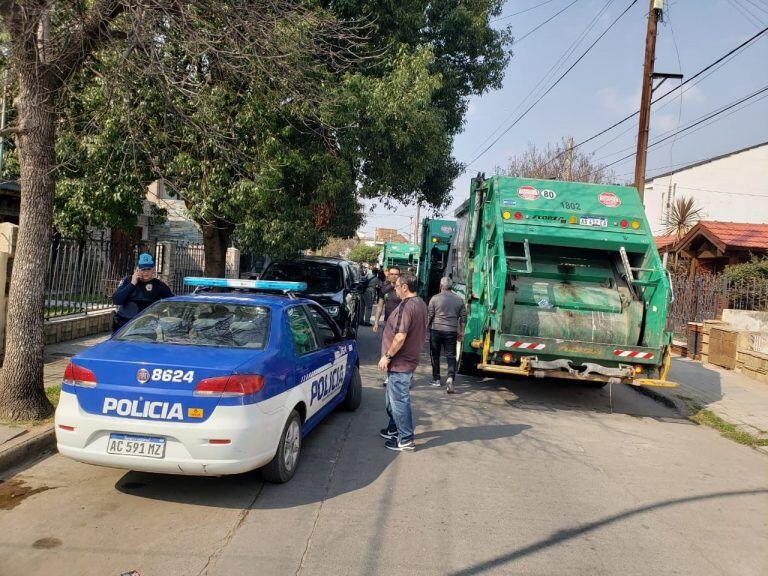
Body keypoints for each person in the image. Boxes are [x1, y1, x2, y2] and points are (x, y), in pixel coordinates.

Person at [378, 273, 428, 451]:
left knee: (399, 401)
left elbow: (400, 336)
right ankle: (394, 429)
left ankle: (405, 438)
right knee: (393, 400)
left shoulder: (407, 306)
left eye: (397, 286)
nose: (395, 289)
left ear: (405, 287)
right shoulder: (420, 303)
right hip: (406, 361)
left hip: (400, 362)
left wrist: (388, 356)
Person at [111, 253, 174, 331]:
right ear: (137, 269)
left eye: (149, 269)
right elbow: (117, 300)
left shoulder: (159, 285)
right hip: (124, 326)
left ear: (153, 269)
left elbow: (172, 302)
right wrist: (132, 284)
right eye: (143, 269)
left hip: (147, 327)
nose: (146, 272)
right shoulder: (128, 281)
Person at [428, 277, 467, 394]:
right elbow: (464, 318)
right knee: (451, 356)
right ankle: (450, 378)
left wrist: (425, 328)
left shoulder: (435, 299)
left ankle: (436, 379)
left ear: (441, 286)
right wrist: (461, 332)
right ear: (452, 286)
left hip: (436, 330)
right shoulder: (459, 299)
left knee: (435, 354)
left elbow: (430, 316)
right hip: (451, 331)